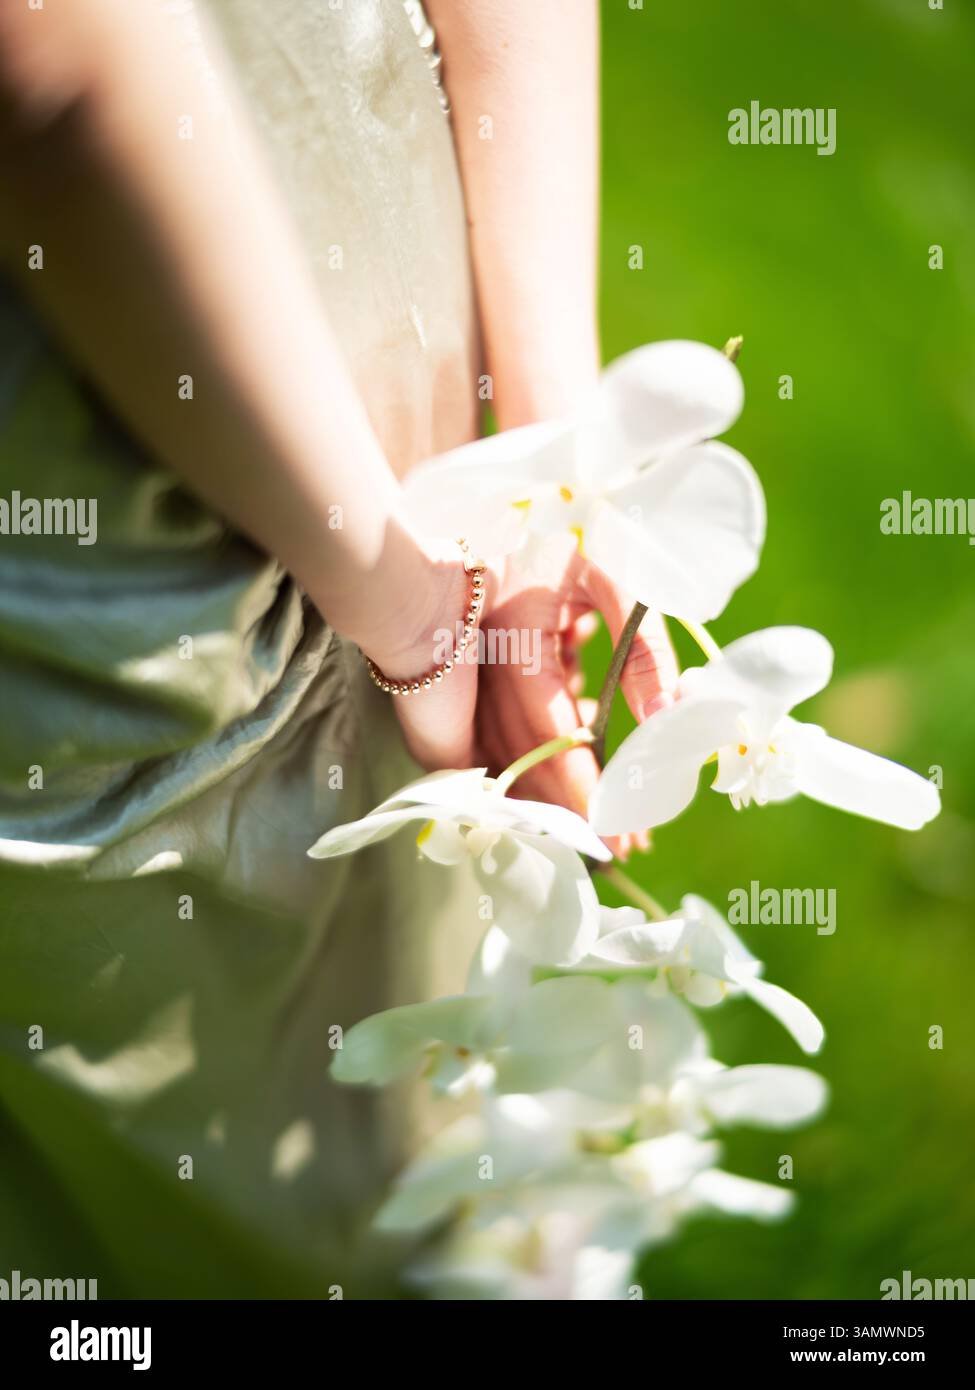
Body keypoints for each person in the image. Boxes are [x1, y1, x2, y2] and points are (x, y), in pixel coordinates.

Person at [0, 0, 673, 1296]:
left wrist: (533, 510)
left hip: (233, 491)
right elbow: (45, 78)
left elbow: (53, 82)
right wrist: (507, 502)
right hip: (246, 459)